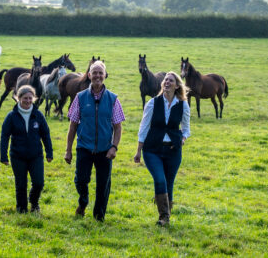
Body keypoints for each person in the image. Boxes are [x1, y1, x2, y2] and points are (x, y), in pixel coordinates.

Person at [64, 61, 124, 221]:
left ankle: (99, 216)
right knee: (81, 180)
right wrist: (68, 150)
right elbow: (73, 126)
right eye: (94, 72)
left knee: (103, 185)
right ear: (89, 75)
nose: (97, 75)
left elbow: (118, 127)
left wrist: (114, 147)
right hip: (84, 147)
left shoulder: (113, 99)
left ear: (105, 75)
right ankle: (83, 202)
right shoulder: (80, 97)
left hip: (105, 150)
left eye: (100, 73)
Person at [134, 71, 190, 226]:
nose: (167, 82)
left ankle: (166, 216)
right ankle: (163, 216)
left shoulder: (183, 105)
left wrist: (182, 140)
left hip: (173, 150)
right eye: (165, 80)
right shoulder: (152, 103)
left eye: (170, 80)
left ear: (177, 85)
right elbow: (143, 128)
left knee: (169, 183)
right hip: (153, 149)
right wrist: (138, 150)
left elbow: (186, 129)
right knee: (160, 180)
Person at [0, 85, 53, 213]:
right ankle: (21, 209)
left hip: (36, 156)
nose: (28, 101)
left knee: (39, 183)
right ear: (18, 98)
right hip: (18, 156)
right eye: (25, 98)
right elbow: (5, 136)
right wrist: (4, 156)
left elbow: (45, 134)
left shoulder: (38, 115)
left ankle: (34, 202)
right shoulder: (11, 116)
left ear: (33, 99)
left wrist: (49, 152)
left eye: (30, 98)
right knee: (21, 184)